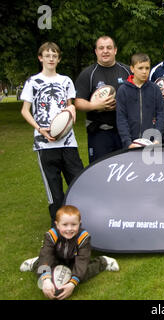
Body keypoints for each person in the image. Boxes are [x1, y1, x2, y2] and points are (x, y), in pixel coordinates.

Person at [20, 42, 84, 227]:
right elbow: (25, 110)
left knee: (78, 183)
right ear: (40, 58)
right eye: (47, 55)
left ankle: (80, 225)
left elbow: (70, 108)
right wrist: (40, 129)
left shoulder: (66, 81)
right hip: (45, 145)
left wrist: (69, 117)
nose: (51, 59)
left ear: (59, 58)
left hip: (68, 143)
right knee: (55, 192)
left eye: (54, 55)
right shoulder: (32, 82)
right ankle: (59, 232)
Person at [20, 205, 119, 300]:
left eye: (73, 224)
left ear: (79, 224)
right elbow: (46, 255)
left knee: (82, 275)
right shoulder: (51, 235)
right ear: (57, 224)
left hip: (74, 261)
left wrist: (72, 283)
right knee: (43, 269)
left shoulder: (84, 237)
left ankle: (103, 262)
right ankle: (35, 263)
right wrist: (45, 280)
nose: (69, 229)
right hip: (56, 260)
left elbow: (82, 260)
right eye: (65, 225)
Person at [75, 35, 131, 163]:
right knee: (99, 171)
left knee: (125, 170)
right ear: (96, 51)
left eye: (109, 48)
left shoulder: (127, 71)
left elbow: (137, 96)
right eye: (101, 48)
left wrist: (122, 104)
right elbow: (78, 102)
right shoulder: (88, 74)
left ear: (115, 50)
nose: (105, 51)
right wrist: (96, 106)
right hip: (99, 133)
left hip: (124, 132)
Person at [116, 53, 164, 148]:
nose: (144, 72)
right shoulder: (123, 90)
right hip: (131, 142)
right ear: (132, 69)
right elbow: (121, 118)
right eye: (140, 68)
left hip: (151, 141)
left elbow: (160, 114)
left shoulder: (155, 89)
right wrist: (128, 142)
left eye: (147, 68)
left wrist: (157, 138)